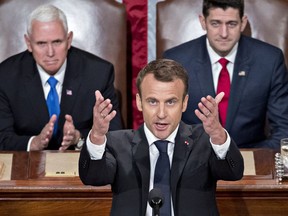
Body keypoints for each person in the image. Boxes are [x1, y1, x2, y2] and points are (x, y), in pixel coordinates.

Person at [79, 59, 244, 216]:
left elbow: (233, 173)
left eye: (171, 102)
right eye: (152, 102)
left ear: (184, 103)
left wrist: (217, 134)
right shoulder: (117, 143)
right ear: (139, 102)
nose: (161, 113)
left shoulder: (205, 140)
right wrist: (97, 135)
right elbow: (93, 177)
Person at [163, 0, 288, 149]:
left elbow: (284, 129)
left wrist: (258, 161)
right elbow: (165, 125)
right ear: (203, 22)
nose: (224, 34)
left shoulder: (269, 60)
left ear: (243, 23)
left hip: (249, 155)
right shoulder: (176, 61)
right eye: (216, 23)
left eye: (231, 24)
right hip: (194, 156)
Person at [0, 5, 122, 151]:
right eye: (41, 43)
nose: (50, 52)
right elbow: (2, 137)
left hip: (81, 164)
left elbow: (115, 135)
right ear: (28, 43)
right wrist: (33, 143)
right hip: (26, 165)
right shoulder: (6, 76)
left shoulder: (98, 73)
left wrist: (79, 138)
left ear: (69, 40)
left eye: (57, 42)